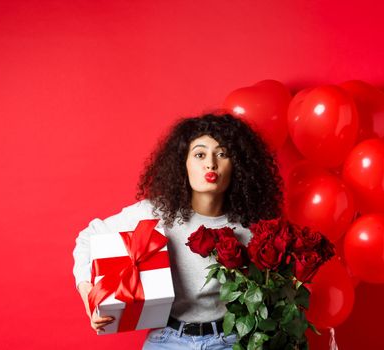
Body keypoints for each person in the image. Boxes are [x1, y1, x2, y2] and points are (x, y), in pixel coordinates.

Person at [73, 113, 284, 349]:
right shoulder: (158, 213)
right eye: (200, 154)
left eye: (222, 154)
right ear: (183, 163)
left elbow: (271, 298)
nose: (211, 164)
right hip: (167, 339)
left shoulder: (252, 228)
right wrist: (89, 296)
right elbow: (88, 237)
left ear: (238, 165)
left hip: (230, 340)